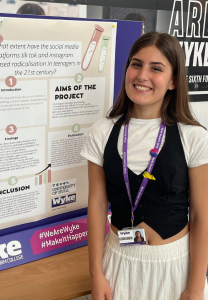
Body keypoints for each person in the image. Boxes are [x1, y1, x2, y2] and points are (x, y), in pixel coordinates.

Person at [80, 32, 208, 300]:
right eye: (136, 64)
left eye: (156, 68)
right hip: (118, 260)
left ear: (173, 81)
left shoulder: (193, 136)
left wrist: (196, 287)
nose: (142, 75)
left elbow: (200, 215)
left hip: (174, 265)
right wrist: (96, 274)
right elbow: (97, 205)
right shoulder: (102, 131)